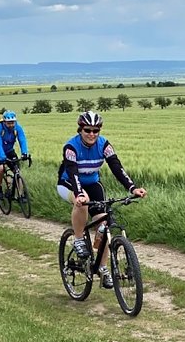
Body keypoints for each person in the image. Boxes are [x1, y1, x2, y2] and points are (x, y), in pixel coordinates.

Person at [57, 111, 147, 289]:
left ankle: (103, 267)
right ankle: (78, 239)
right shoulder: (71, 147)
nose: (92, 134)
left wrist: (132, 188)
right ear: (80, 129)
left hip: (93, 183)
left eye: (95, 130)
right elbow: (73, 172)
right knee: (83, 200)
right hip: (68, 183)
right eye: (87, 130)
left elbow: (116, 167)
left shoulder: (104, 145)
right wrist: (79, 194)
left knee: (103, 224)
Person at [0, 109, 30, 204]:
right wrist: (2, 157)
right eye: (9, 123)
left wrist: (24, 153)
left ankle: (21, 194)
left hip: (9, 151)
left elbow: (22, 139)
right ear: (4, 122)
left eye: (12, 122)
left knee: (17, 171)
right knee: (1, 168)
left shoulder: (17, 128)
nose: (11, 125)